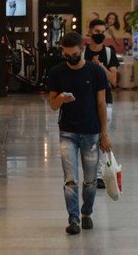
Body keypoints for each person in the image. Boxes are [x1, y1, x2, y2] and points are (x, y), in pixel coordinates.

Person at [47, 32, 112, 235]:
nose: (71, 58)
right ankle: (73, 218)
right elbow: (52, 104)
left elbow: (101, 103)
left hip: (91, 132)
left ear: (81, 49)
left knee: (91, 180)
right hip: (67, 132)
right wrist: (61, 100)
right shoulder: (57, 72)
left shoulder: (96, 72)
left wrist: (104, 133)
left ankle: (87, 213)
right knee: (70, 179)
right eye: (67, 55)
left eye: (74, 54)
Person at [85, 19, 120, 189]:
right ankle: (88, 173)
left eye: (102, 31)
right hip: (85, 102)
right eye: (96, 31)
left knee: (102, 137)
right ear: (89, 32)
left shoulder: (108, 53)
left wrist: (100, 67)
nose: (100, 34)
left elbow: (113, 80)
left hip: (105, 101)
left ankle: (99, 175)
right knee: (87, 139)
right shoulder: (83, 52)